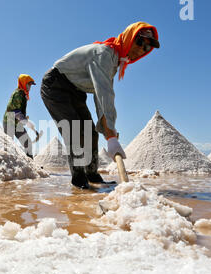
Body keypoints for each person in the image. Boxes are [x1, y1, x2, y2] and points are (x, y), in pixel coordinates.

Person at [40, 21, 160, 189]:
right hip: (56, 85)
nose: (141, 49)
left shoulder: (114, 59)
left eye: (147, 48)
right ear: (129, 38)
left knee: (90, 131)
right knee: (75, 130)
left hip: (75, 90)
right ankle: (79, 181)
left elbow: (99, 96)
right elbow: (105, 94)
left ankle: (92, 176)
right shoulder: (104, 54)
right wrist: (111, 134)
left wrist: (107, 131)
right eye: (140, 42)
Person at [3, 74, 37, 159]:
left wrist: (25, 120)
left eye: (30, 85)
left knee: (27, 143)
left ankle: (31, 165)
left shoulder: (23, 94)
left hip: (17, 123)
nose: (30, 86)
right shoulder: (18, 94)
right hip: (9, 121)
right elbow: (15, 111)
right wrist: (26, 122)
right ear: (23, 83)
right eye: (28, 84)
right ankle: (6, 165)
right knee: (9, 145)